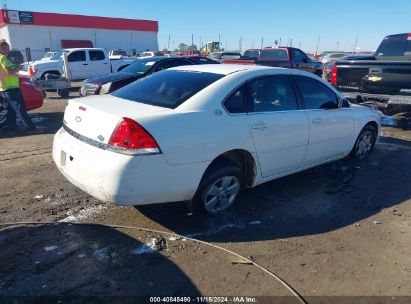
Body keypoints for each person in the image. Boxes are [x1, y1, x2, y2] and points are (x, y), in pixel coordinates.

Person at [0, 40, 36, 133]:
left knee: (9, 110)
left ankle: (11, 127)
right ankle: (31, 128)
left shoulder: (3, 58)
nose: (6, 48)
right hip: (11, 87)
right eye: (3, 47)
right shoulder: (3, 58)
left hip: (4, 88)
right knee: (20, 108)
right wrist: (18, 68)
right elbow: (9, 71)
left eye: (6, 46)